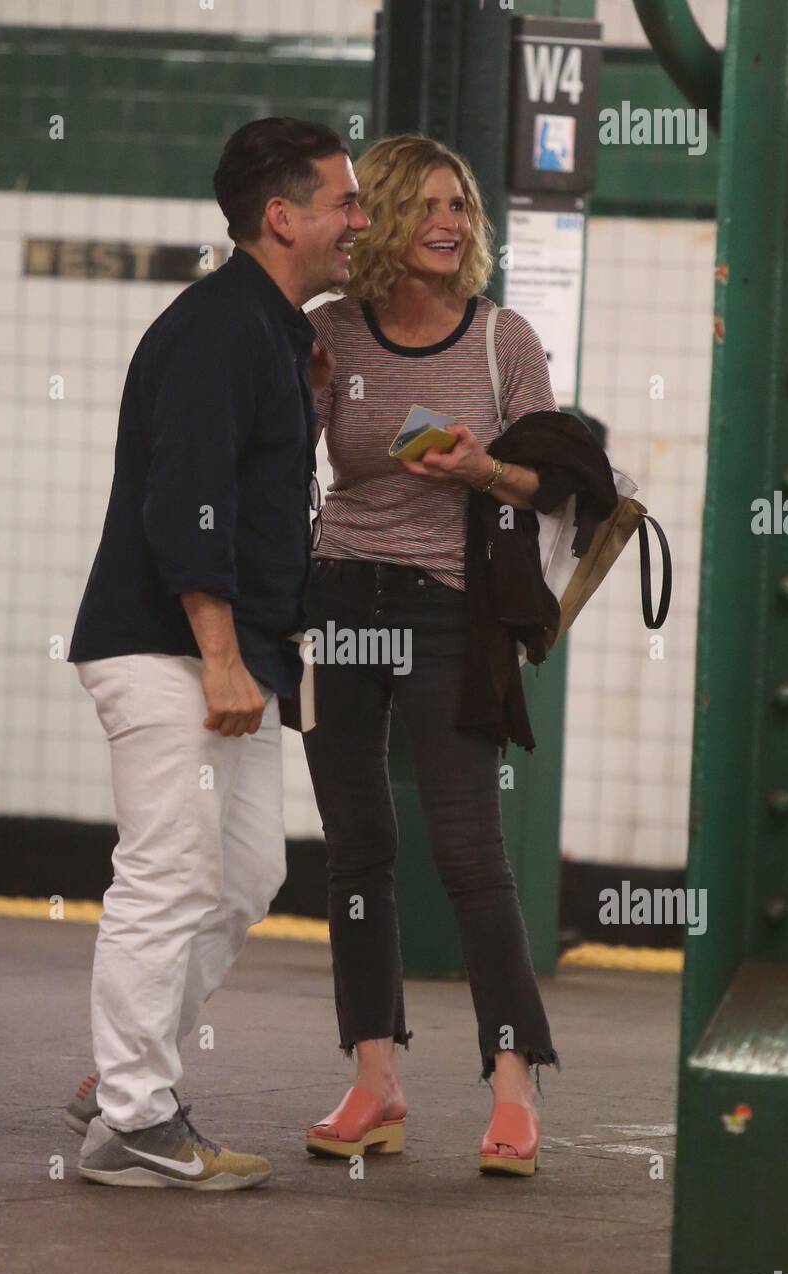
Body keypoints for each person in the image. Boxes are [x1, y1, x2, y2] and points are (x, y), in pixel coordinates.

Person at [65, 117, 369, 1190]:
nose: (360, 220)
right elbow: (185, 504)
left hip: (231, 653)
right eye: (344, 201)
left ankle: (121, 1080)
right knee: (168, 875)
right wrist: (222, 654)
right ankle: (134, 1120)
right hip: (171, 650)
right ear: (281, 216)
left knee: (244, 874)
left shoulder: (271, 333)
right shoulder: (218, 329)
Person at [302, 134, 559, 1177]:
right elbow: (294, 459)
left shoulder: (504, 339)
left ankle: (514, 1084)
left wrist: (482, 469)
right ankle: (376, 1077)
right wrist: (303, 384)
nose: (450, 223)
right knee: (356, 847)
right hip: (337, 599)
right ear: (384, 220)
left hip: (451, 613)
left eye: (461, 205)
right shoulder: (331, 332)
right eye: (427, 205)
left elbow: (555, 479)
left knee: (468, 852)